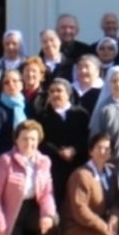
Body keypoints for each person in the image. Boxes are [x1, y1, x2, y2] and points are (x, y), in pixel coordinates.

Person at [0, 120, 57, 235]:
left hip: (30, 208)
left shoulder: (44, 161)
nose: (28, 143)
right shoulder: (5, 160)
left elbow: (47, 193)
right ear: (16, 140)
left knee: (53, 218)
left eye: (33, 139)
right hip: (9, 213)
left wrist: (47, 215)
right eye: (24, 138)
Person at [62, 132, 119, 235]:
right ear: (90, 151)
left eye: (107, 149)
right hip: (77, 226)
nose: (102, 152)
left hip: (98, 224)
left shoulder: (111, 173)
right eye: (98, 148)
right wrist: (104, 228)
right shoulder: (81, 175)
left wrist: (113, 218)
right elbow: (80, 210)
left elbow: (116, 202)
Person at [37, 78, 89, 206]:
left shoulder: (81, 114)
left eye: (59, 91)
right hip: (54, 167)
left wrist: (74, 150)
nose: (55, 94)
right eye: (51, 91)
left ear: (68, 93)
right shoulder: (42, 116)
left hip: (77, 163)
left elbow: (86, 137)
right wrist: (58, 151)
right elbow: (42, 141)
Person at [0, 67, 29, 169]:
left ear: (21, 84)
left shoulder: (26, 105)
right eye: (6, 82)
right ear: (2, 87)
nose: (11, 84)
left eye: (15, 81)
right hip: (5, 159)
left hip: (27, 156)